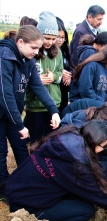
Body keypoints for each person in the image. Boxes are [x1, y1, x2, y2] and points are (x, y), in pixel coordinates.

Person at [5, 120, 107, 220]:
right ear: (93, 143)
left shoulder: (66, 139)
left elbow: (97, 170)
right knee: (85, 210)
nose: (103, 150)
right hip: (26, 205)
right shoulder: (75, 167)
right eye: (103, 146)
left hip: (17, 188)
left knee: (102, 170)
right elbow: (98, 195)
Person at [0, 25, 60, 201]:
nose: (36, 52)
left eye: (38, 48)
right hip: (4, 111)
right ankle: (4, 186)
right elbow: (5, 95)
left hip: (12, 113)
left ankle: (26, 179)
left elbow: (37, 86)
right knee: (1, 151)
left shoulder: (28, 59)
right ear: (20, 42)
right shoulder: (5, 57)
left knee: (21, 146)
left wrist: (53, 110)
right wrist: (19, 124)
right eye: (33, 47)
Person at [24, 11, 63, 144]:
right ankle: (34, 163)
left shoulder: (58, 53)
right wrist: (36, 79)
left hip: (54, 102)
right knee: (36, 141)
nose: (50, 42)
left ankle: (47, 164)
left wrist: (55, 76)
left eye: (53, 39)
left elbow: (60, 72)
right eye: (46, 38)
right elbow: (23, 77)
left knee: (50, 141)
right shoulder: (31, 52)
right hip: (35, 105)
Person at [56, 19, 73, 113]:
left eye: (63, 37)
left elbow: (71, 67)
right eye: (58, 37)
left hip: (64, 87)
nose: (61, 40)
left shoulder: (65, 50)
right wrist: (60, 72)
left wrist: (68, 75)